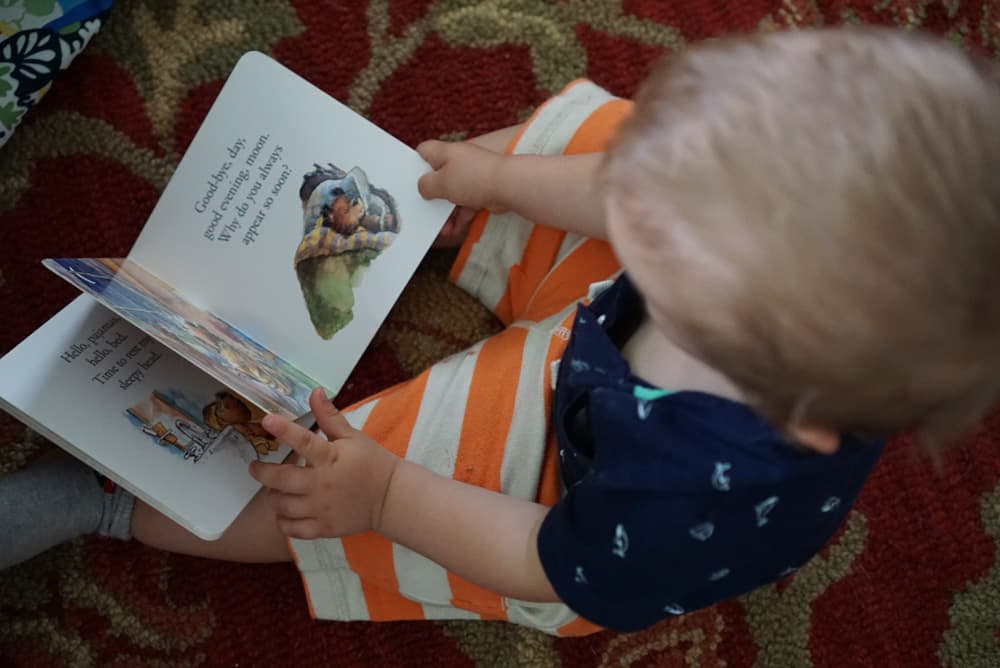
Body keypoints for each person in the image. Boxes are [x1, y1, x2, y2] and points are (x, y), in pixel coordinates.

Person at [3, 26, 1000, 635]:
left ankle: (106, 501)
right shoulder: (748, 259)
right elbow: (628, 189)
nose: (651, 196)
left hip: (565, 488)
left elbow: (544, 558)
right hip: (623, 329)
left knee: (332, 482)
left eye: (678, 220)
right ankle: (432, 218)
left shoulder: (684, 487)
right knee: (593, 146)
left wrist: (387, 492)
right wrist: (494, 182)